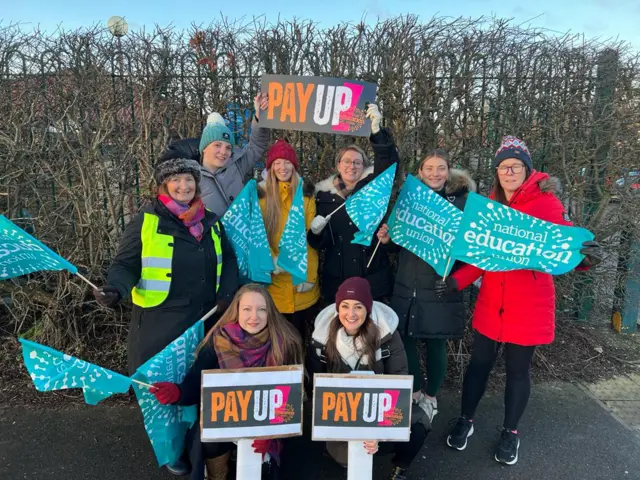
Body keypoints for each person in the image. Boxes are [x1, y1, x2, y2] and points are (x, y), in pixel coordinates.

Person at [436, 136, 603, 465]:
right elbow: (481, 255)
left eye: (514, 166)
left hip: (529, 305)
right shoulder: (492, 206)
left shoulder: (547, 203)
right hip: (491, 303)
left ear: (527, 169)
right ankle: (466, 420)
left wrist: (585, 258)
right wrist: (456, 282)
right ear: (496, 172)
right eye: (502, 167)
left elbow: (565, 248)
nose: (508, 172)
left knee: (517, 370)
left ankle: (510, 432)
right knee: (479, 365)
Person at [149, 284, 304, 480]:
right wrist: (177, 393)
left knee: (263, 465)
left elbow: (291, 400)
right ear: (237, 311)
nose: (253, 316)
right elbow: (196, 381)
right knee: (209, 438)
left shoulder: (285, 342)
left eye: (261, 309)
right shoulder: (219, 339)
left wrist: (271, 434)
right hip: (226, 415)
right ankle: (217, 474)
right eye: (247, 309)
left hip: (266, 420)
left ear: (270, 312)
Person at [377, 149, 476, 423]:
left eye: (440, 168)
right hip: (408, 283)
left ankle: (431, 397)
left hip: (439, 285)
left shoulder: (462, 204)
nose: (434, 173)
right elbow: (398, 243)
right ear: (420, 172)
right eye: (429, 168)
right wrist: (387, 240)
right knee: (406, 340)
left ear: (449, 171)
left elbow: (469, 248)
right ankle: (416, 391)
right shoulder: (408, 201)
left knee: (436, 343)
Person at [307, 277, 430, 480]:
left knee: (418, 425)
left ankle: (400, 468)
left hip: (380, 406)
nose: (351, 314)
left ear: (368, 309)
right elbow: (315, 388)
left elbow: (399, 383)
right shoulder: (321, 339)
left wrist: (379, 432)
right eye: (345, 306)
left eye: (358, 306)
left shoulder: (387, 335)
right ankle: (339, 454)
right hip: (339, 411)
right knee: (351, 456)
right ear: (337, 308)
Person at [307, 104, 399, 304]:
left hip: (372, 279)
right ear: (338, 165)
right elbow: (320, 245)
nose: (352, 166)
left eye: (357, 162)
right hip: (337, 280)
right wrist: (315, 233)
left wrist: (377, 132)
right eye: (347, 161)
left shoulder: (374, 188)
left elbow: (390, 163)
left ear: (364, 166)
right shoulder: (322, 196)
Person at [158, 94, 270, 218]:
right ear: (204, 148)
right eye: (217, 145)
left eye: (228, 147)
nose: (223, 152)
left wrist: (260, 117)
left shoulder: (236, 165)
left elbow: (257, 145)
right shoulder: (190, 178)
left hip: (241, 235)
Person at [258, 139, 320, 342]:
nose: (282, 167)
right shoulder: (260, 196)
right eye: (277, 163)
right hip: (272, 284)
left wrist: (309, 276)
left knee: (300, 343)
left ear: (294, 165)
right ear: (270, 167)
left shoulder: (305, 195)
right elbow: (256, 237)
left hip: (300, 282)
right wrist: (269, 262)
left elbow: (311, 243)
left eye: (287, 162)